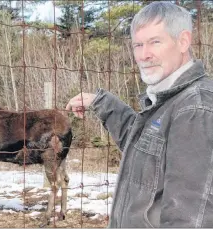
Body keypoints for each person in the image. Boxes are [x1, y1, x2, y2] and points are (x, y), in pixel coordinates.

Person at [66, 1, 213, 228]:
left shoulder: (194, 109)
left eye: (155, 42)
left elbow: (190, 218)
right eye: (138, 45)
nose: (144, 55)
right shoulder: (170, 99)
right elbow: (147, 153)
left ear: (183, 41)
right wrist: (102, 103)